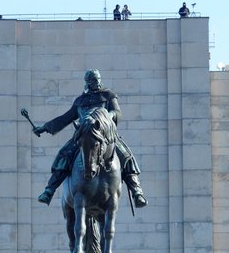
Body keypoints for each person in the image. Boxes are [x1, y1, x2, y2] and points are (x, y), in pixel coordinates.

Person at [32, 70, 146, 208]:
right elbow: (65, 118)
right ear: (87, 83)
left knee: (126, 156)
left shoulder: (108, 96)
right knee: (64, 155)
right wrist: (45, 127)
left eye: (97, 79)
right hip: (83, 137)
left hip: (106, 137)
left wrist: (109, 116)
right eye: (93, 81)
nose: (96, 83)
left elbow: (118, 113)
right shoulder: (80, 101)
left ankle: (137, 191)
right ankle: (49, 190)